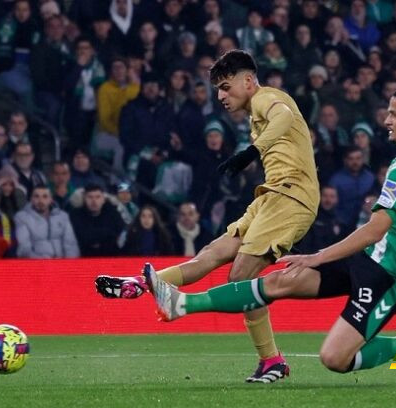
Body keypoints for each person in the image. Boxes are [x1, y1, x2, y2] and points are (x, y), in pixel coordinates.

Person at [144, 86, 396, 377]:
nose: (386, 120)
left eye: (393, 114)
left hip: (393, 275)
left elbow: (375, 229)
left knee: (335, 359)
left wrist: (318, 256)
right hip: (368, 259)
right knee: (284, 280)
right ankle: (182, 303)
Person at [96, 50, 320, 383]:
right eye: (218, 89)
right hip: (271, 196)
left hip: (292, 196)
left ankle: (270, 358)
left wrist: (251, 152)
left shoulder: (266, 98)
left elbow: (284, 117)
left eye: (226, 87)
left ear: (248, 81)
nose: (221, 96)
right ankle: (142, 284)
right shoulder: (256, 109)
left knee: (241, 278)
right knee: (212, 254)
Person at [14, 185, 80, 258]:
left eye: (45, 196)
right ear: (31, 199)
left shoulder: (62, 216)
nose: (40, 201)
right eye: (36, 196)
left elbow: (70, 244)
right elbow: (24, 248)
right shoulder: (22, 217)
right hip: (37, 264)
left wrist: (69, 265)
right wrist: (44, 263)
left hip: (62, 263)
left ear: (51, 200)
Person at [69, 183, 124, 257]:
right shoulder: (76, 215)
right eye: (90, 197)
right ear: (84, 199)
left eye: (98, 197)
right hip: (85, 257)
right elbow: (82, 237)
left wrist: (96, 237)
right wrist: (105, 234)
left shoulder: (112, 212)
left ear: (103, 199)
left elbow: (118, 231)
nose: (94, 201)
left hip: (110, 256)